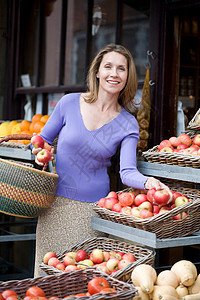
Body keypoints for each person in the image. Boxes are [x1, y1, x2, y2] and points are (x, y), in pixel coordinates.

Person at [32, 43, 172, 277]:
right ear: (97, 71)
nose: (114, 74)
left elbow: (127, 171)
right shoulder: (69, 103)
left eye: (121, 69)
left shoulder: (128, 123)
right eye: (108, 66)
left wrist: (149, 182)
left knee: (81, 282)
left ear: (127, 76)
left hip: (92, 213)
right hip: (54, 206)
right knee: (45, 281)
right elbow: (41, 141)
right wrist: (39, 152)